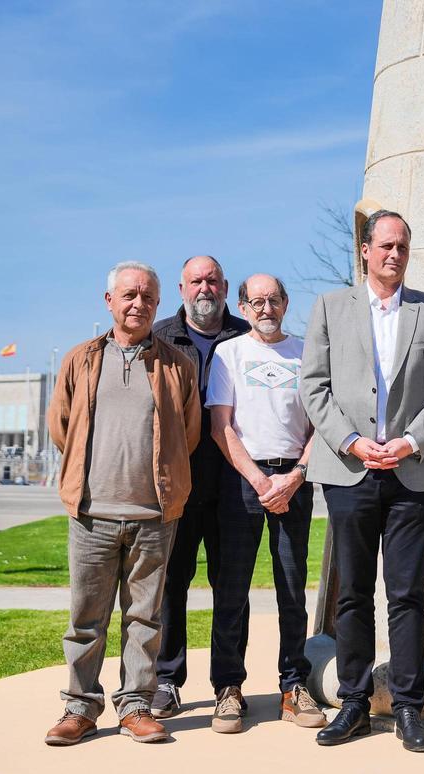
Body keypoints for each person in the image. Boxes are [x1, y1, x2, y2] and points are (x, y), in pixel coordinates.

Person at [301, 210, 424, 753]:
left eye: (403, 247)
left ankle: (408, 708)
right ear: (365, 250)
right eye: (386, 245)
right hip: (349, 472)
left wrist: (409, 441)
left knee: (406, 594)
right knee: (352, 595)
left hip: (410, 473)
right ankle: (353, 702)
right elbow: (314, 388)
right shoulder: (328, 308)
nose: (394, 255)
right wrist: (352, 442)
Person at [44, 261, 200, 746]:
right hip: (92, 515)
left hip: (154, 516)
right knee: (85, 619)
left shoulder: (177, 364)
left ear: (158, 304)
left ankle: (135, 705)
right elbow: (61, 427)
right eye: (129, 295)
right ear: (108, 300)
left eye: (148, 297)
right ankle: (80, 708)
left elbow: (188, 435)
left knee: (145, 619)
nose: (139, 304)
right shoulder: (80, 360)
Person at [206, 274, 325, 733]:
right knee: (231, 590)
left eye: (274, 299)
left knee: (292, 592)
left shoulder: (307, 353)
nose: (266, 308)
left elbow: (321, 423)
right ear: (243, 306)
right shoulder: (229, 353)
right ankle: (228, 688)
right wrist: (259, 481)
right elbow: (222, 426)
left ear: (286, 302)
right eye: (256, 301)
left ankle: (293, 687)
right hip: (244, 483)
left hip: (295, 479)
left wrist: (294, 477)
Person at [150, 255, 250, 718]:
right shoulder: (159, 339)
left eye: (212, 279)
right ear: (182, 288)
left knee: (231, 588)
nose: (205, 287)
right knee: (172, 584)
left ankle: (228, 683)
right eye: (196, 281)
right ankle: (167, 679)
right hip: (179, 484)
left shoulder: (247, 335)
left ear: (225, 286)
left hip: (235, 485)